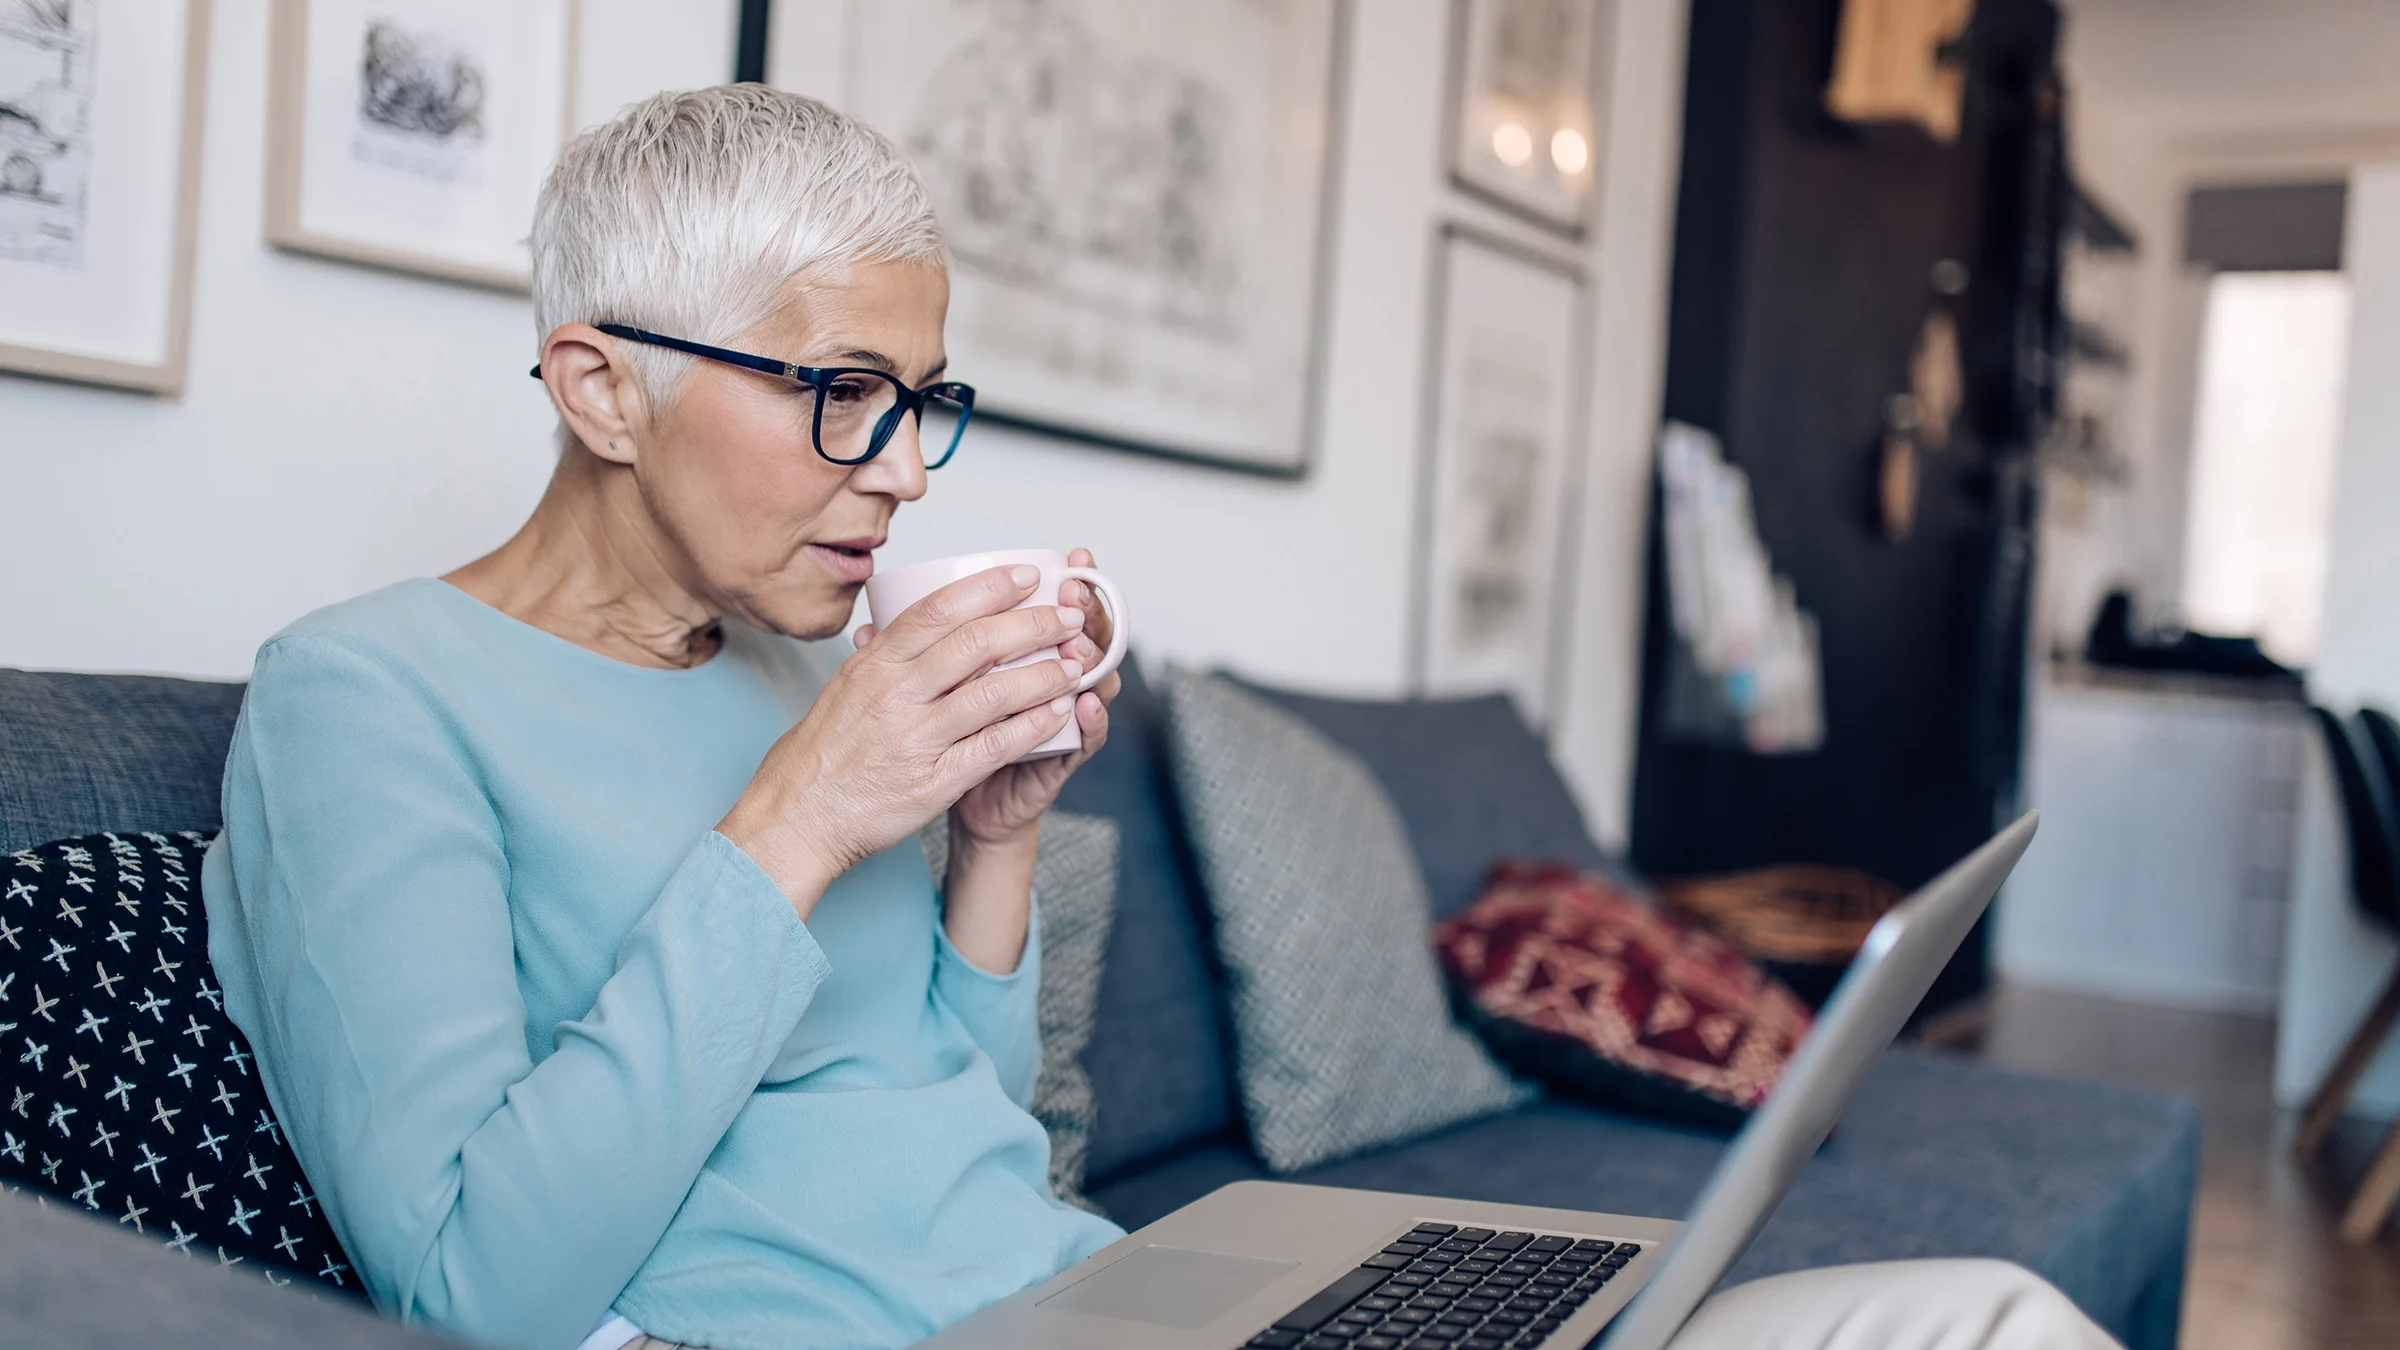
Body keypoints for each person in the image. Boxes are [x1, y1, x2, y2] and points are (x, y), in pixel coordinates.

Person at [203, 86, 2119, 1350]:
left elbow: (977, 1126)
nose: (902, 474)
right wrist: (792, 821)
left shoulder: (801, 667)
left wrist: (997, 833)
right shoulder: (363, 702)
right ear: (603, 390)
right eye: (842, 393)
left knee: (1984, 1318)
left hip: (1116, 1303)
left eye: (925, 401)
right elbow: (469, 1289)